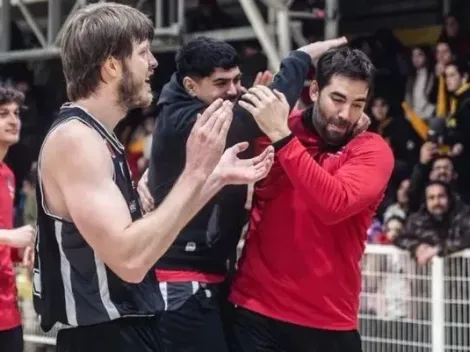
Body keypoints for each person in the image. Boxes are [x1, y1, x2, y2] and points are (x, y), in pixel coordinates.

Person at [32, 3, 274, 352]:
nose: (154, 63)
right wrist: (195, 172)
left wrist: (213, 179)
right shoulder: (76, 140)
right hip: (102, 334)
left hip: (123, 327)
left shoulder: (98, 136)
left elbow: (143, 235)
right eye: (143, 52)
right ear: (112, 65)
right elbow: (130, 260)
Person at [138, 36, 355, 352]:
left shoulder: (197, 106)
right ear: (190, 86)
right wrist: (299, 58)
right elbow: (255, 118)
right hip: (181, 282)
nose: (234, 90)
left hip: (209, 277)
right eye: (221, 83)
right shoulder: (185, 120)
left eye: (237, 80)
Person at [230, 46, 394, 352]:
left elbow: (334, 204)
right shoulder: (276, 127)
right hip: (256, 313)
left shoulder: (372, 150)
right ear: (315, 90)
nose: (346, 115)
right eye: (338, 99)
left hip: (329, 322)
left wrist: (281, 135)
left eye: (358, 104)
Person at [0, 86, 36, 352]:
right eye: (3, 114)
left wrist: (19, 249)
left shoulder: (9, 175)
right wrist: (10, 237)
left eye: (16, 113)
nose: (14, 120)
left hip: (8, 310)